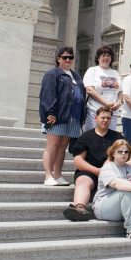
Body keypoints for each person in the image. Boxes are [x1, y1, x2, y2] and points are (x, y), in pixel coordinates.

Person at [40, 45, 86, 187]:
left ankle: (58, 175)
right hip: (57, 116)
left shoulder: (76, 76)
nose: (67, 60)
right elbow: (48, 95)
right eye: (64, 57)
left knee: (62, 147)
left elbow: (81, 97)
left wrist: (82, 118)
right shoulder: (52, 74)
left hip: (73, 117)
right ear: (58, 59)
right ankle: (48, 176)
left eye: (70, 57)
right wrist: (50, 113)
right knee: (53, 145)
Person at [63, 107, 119, 221]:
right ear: (96, 118)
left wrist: (106, 168)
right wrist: (97, 171)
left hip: (112, 172)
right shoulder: (86, 136)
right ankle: (79, 207)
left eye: (108, 118)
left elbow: (125, 156)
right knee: (83, 181)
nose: (105, 120)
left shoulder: (117, 137)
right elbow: (78, 161)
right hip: (90, 172)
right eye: (102, 117)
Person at [82, 44, 122, 132]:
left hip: (112, 114)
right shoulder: (93, 70)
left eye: (108, 55)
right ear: (98, 58)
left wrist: (118, 103)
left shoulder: (115, 72)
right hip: (95, 112)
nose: (105, 58)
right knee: (92, 138)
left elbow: (120, 92)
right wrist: (105, 103)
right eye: (103, 55)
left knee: (109, 141)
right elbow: (89, 90)